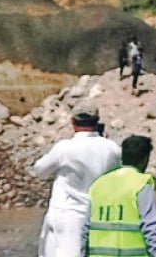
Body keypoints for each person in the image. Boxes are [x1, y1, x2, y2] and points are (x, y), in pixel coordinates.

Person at [33, 100, 121, 257]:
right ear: (97, 121)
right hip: (99, 215)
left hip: (68, 214)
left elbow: (40, 170)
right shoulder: (112, 148)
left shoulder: (64, 148)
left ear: (72, 121)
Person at [84, 135, 156, 257]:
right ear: (145, 159)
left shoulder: (98, 184)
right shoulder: (141, 183)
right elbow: (150, 228)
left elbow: (85, 229)